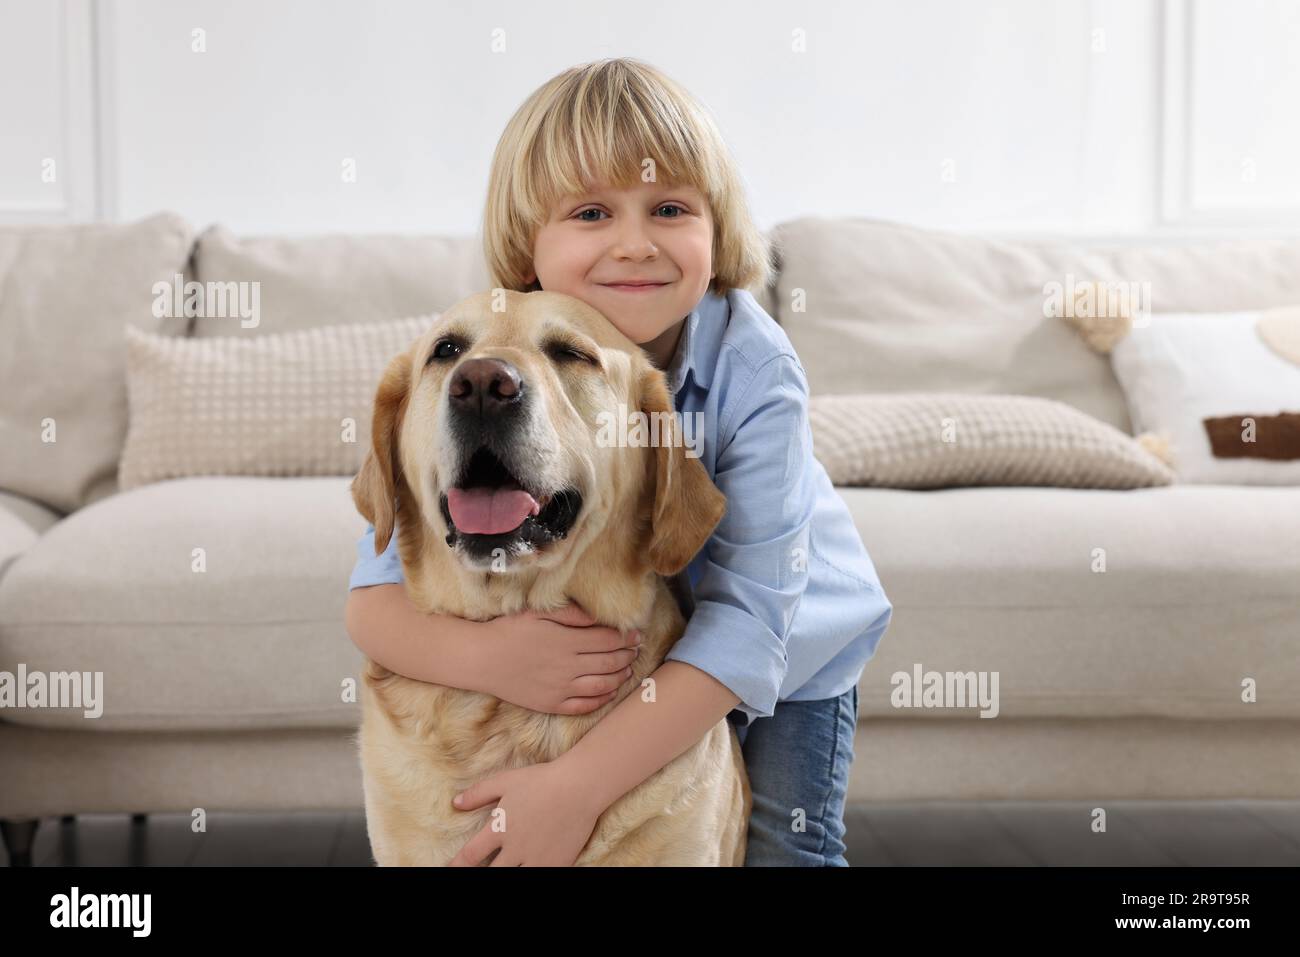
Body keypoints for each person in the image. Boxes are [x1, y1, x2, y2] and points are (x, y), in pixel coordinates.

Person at [345, 57, 892, 866]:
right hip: (652, 629)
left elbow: (749, 626)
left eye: (670, 208)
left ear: (719, 230)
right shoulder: (501, 340)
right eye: (592, 212)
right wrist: (491, 658)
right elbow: (374, 596)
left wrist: (575, 788)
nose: (634, 244)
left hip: (787, 647)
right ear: (530, 246)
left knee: (787, 850)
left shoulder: (756, 368)